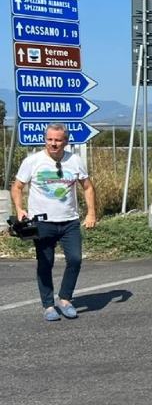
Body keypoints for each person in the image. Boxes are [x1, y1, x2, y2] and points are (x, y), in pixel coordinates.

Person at [11, 123, 97, 322]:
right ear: (45, 140)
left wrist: (91, 213)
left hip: (70, 221)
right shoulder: (32, 161)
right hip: (43, 223)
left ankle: (65, 299)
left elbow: (88, 187)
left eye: (58, 140)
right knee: (45, 263)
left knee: (75, 259)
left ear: (65, 141)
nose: (53, 144)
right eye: (50, 139)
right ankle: (48, 305)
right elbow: (17, 187)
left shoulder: (75, 160)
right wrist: (20, 208)